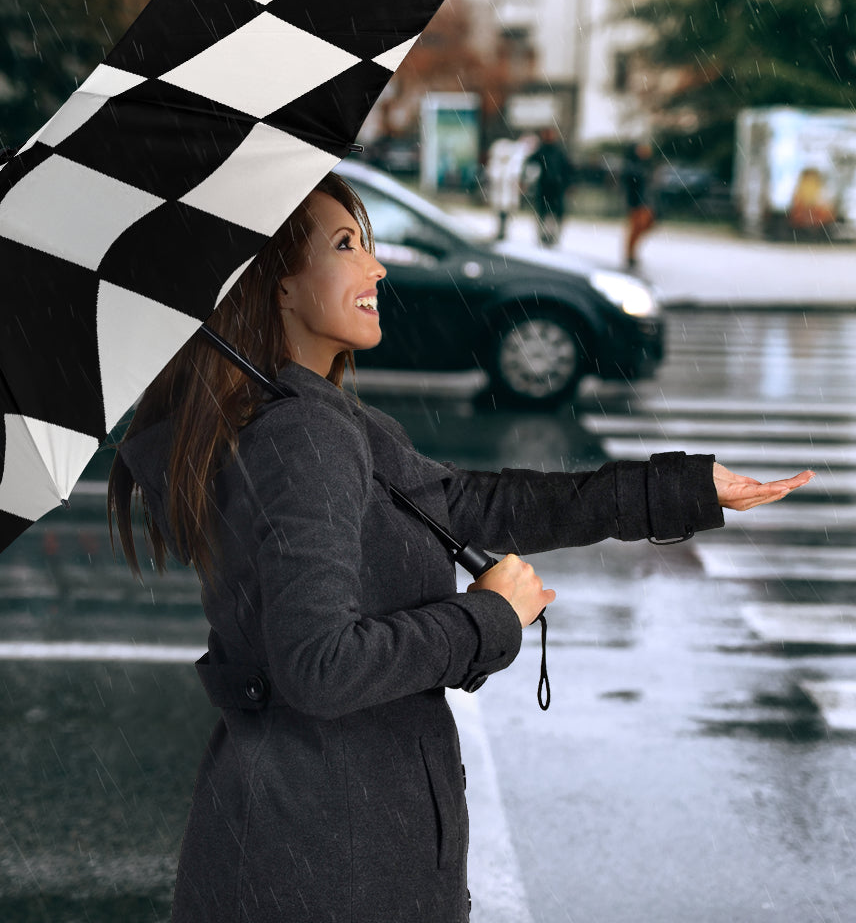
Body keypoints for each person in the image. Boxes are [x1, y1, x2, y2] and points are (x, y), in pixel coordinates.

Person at [108, 173, 812, 923]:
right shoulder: (301, 436)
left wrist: (680, 490)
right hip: (328, 861)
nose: (376, 267)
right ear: (278, 287)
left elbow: (473, 504)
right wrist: (486, 617)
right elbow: (319, 667)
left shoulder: (315, 420)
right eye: (346, 246)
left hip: (315, 842)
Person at [523, 126, 573, 247]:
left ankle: (552, 236)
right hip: (544, 187)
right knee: (543, 212)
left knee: (554, 214)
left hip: (557, 188)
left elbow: (567, 169)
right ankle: (543, 235)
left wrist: (568, 185)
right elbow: (529, 165)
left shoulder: (559, 152)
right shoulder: (541, 151)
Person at [623, 141, 656, 269]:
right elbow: (632, 182)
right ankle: (630, 254)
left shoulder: (646, 165)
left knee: (644, 226)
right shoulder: (633, 166)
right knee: (636, 228)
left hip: (645, 201)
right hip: (637, 202)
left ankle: (632, 253)